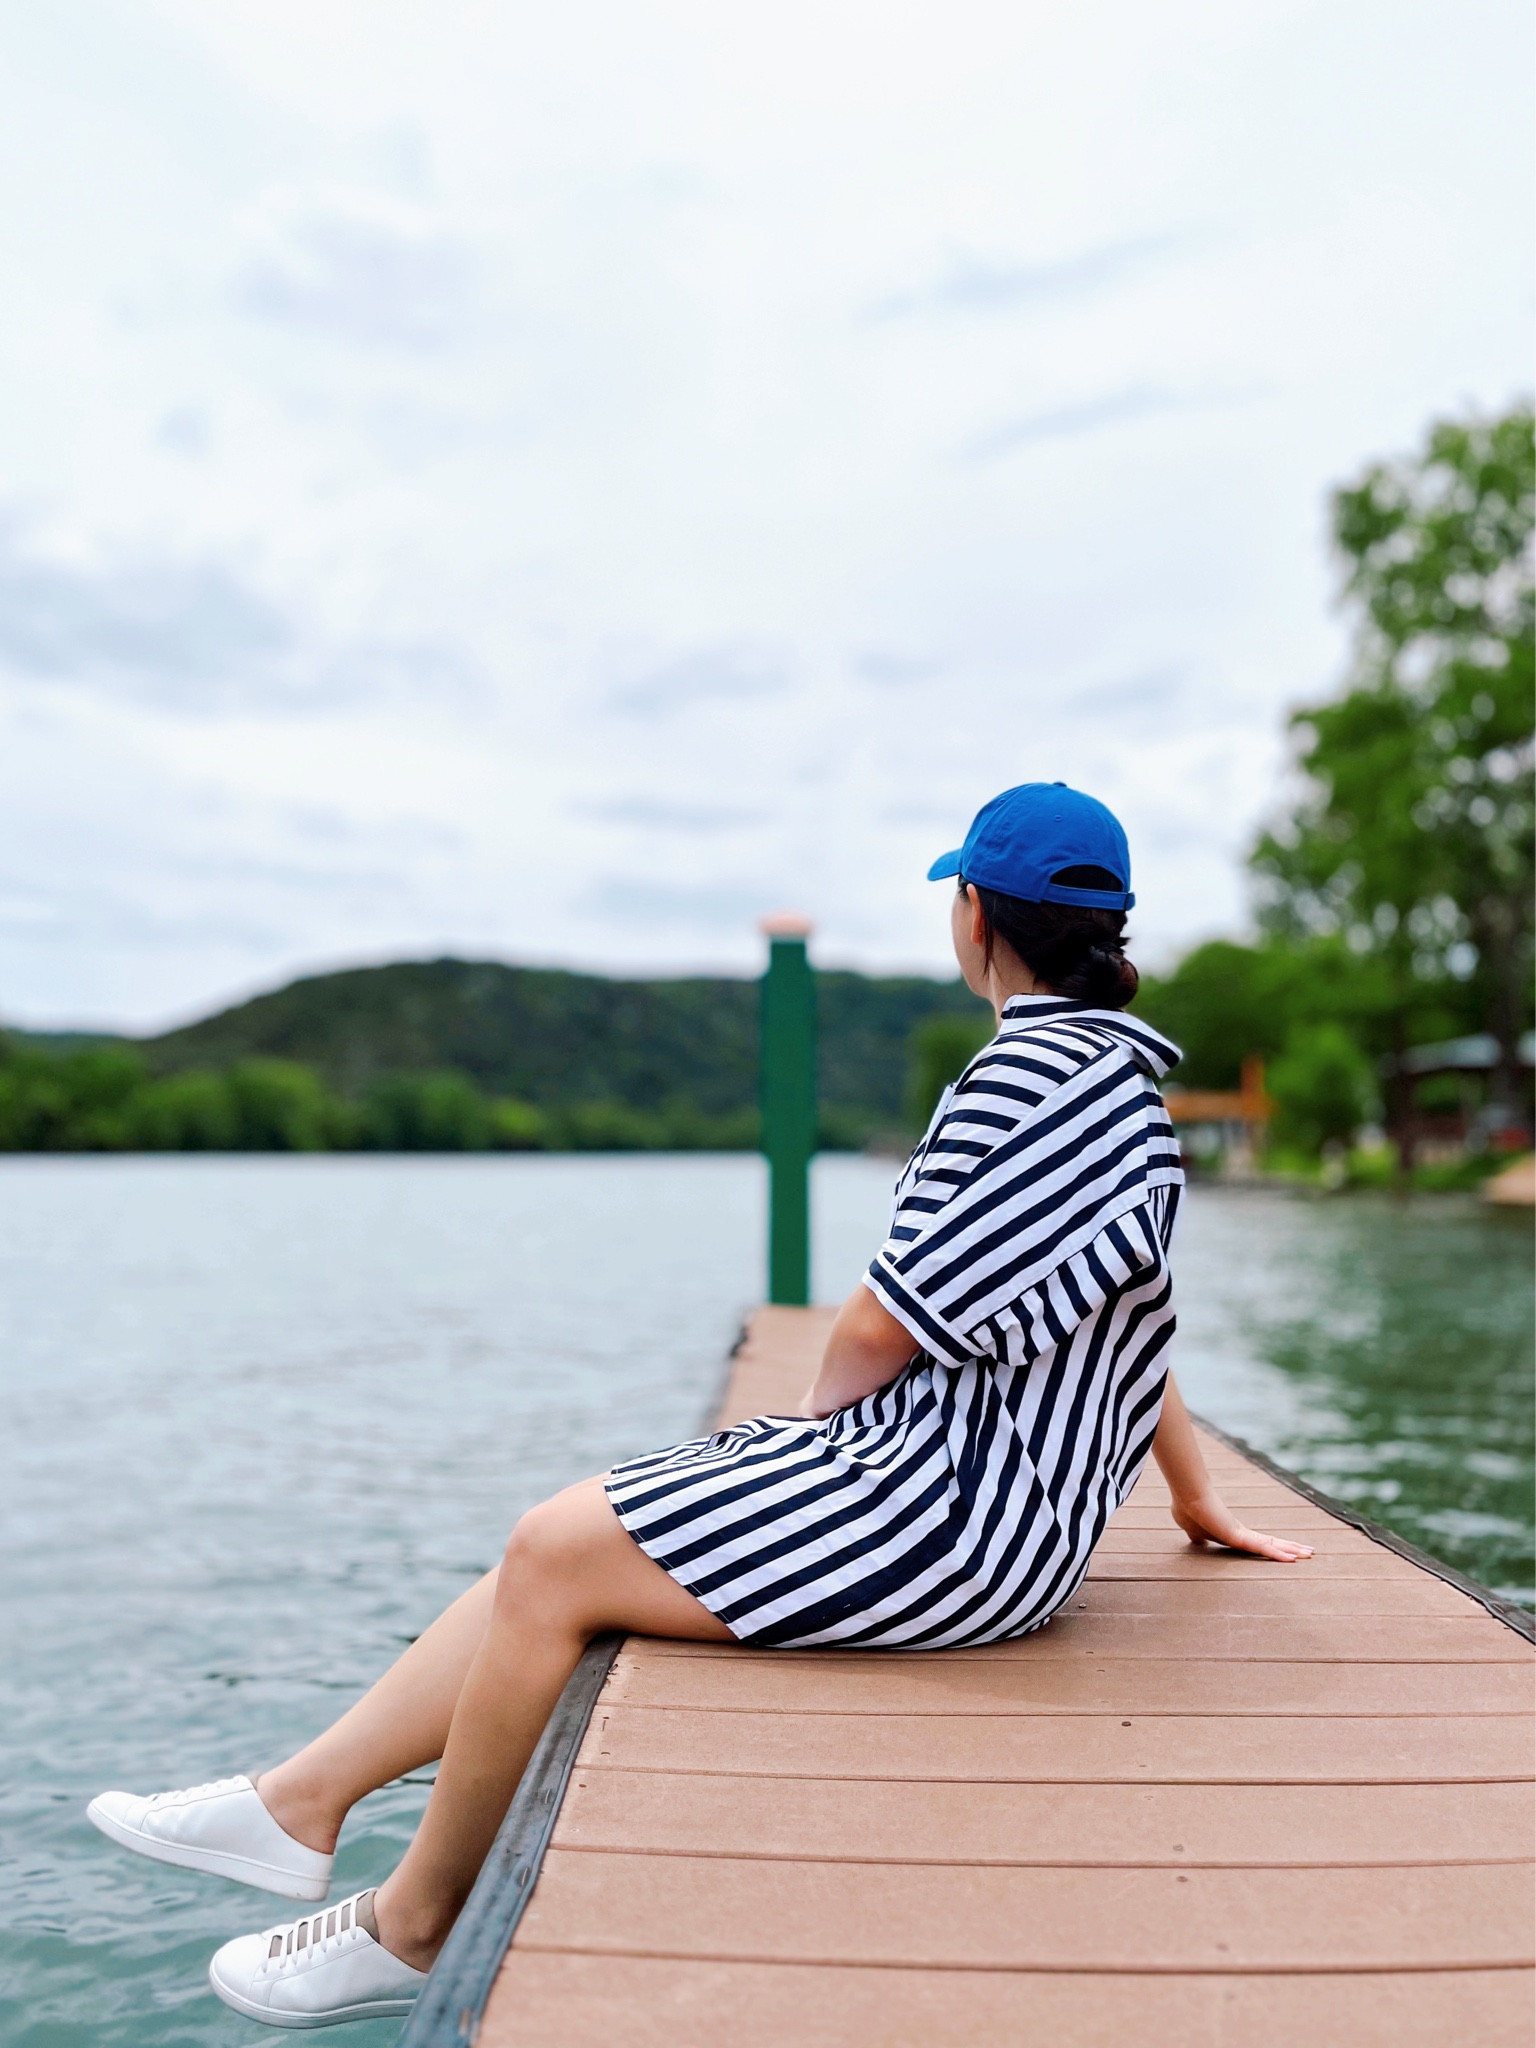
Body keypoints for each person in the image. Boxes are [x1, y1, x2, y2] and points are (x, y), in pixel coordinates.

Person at [87, 782, 1312, 2028]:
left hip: (951, 1521)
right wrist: (1196, 1493)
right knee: (564, 1534)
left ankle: (411, 1923)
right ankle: (297, 1803)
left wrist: (811, 1433)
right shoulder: (1125, 1091)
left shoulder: (1023, 1080)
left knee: (555, 1552)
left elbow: (881, 1323)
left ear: (977, 911)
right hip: (1001, 1514)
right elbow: (1123, 1318)